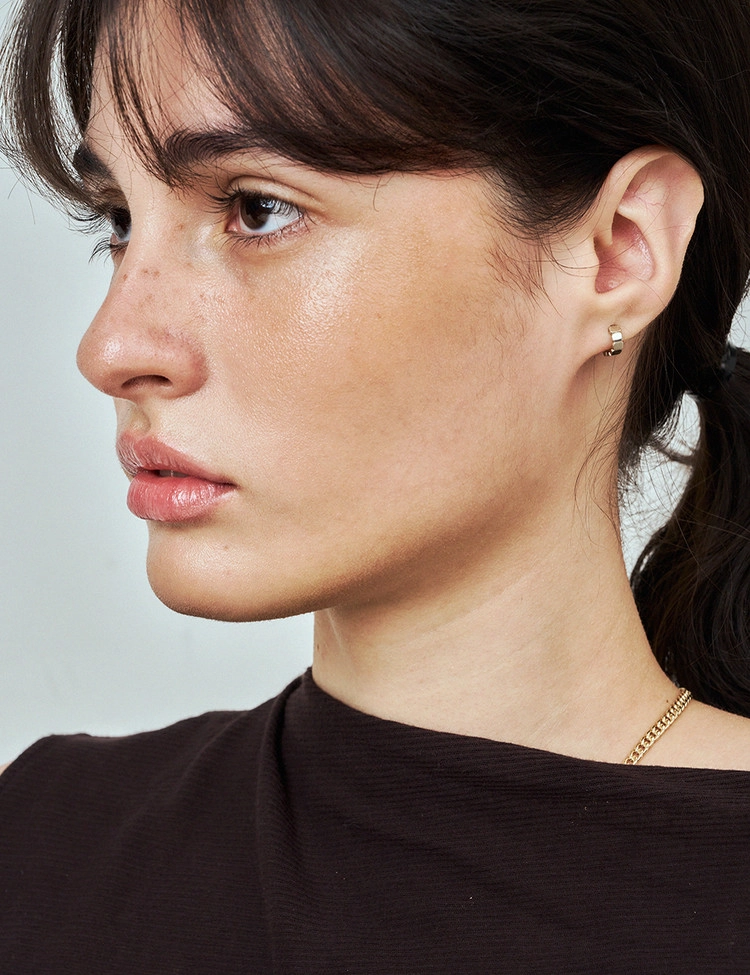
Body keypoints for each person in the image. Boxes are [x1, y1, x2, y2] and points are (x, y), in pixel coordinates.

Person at [1, 0, 750, 970]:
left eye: (256, 209)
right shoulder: (44, 851)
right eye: (119, 219)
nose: (109, 347)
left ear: (618, 252)